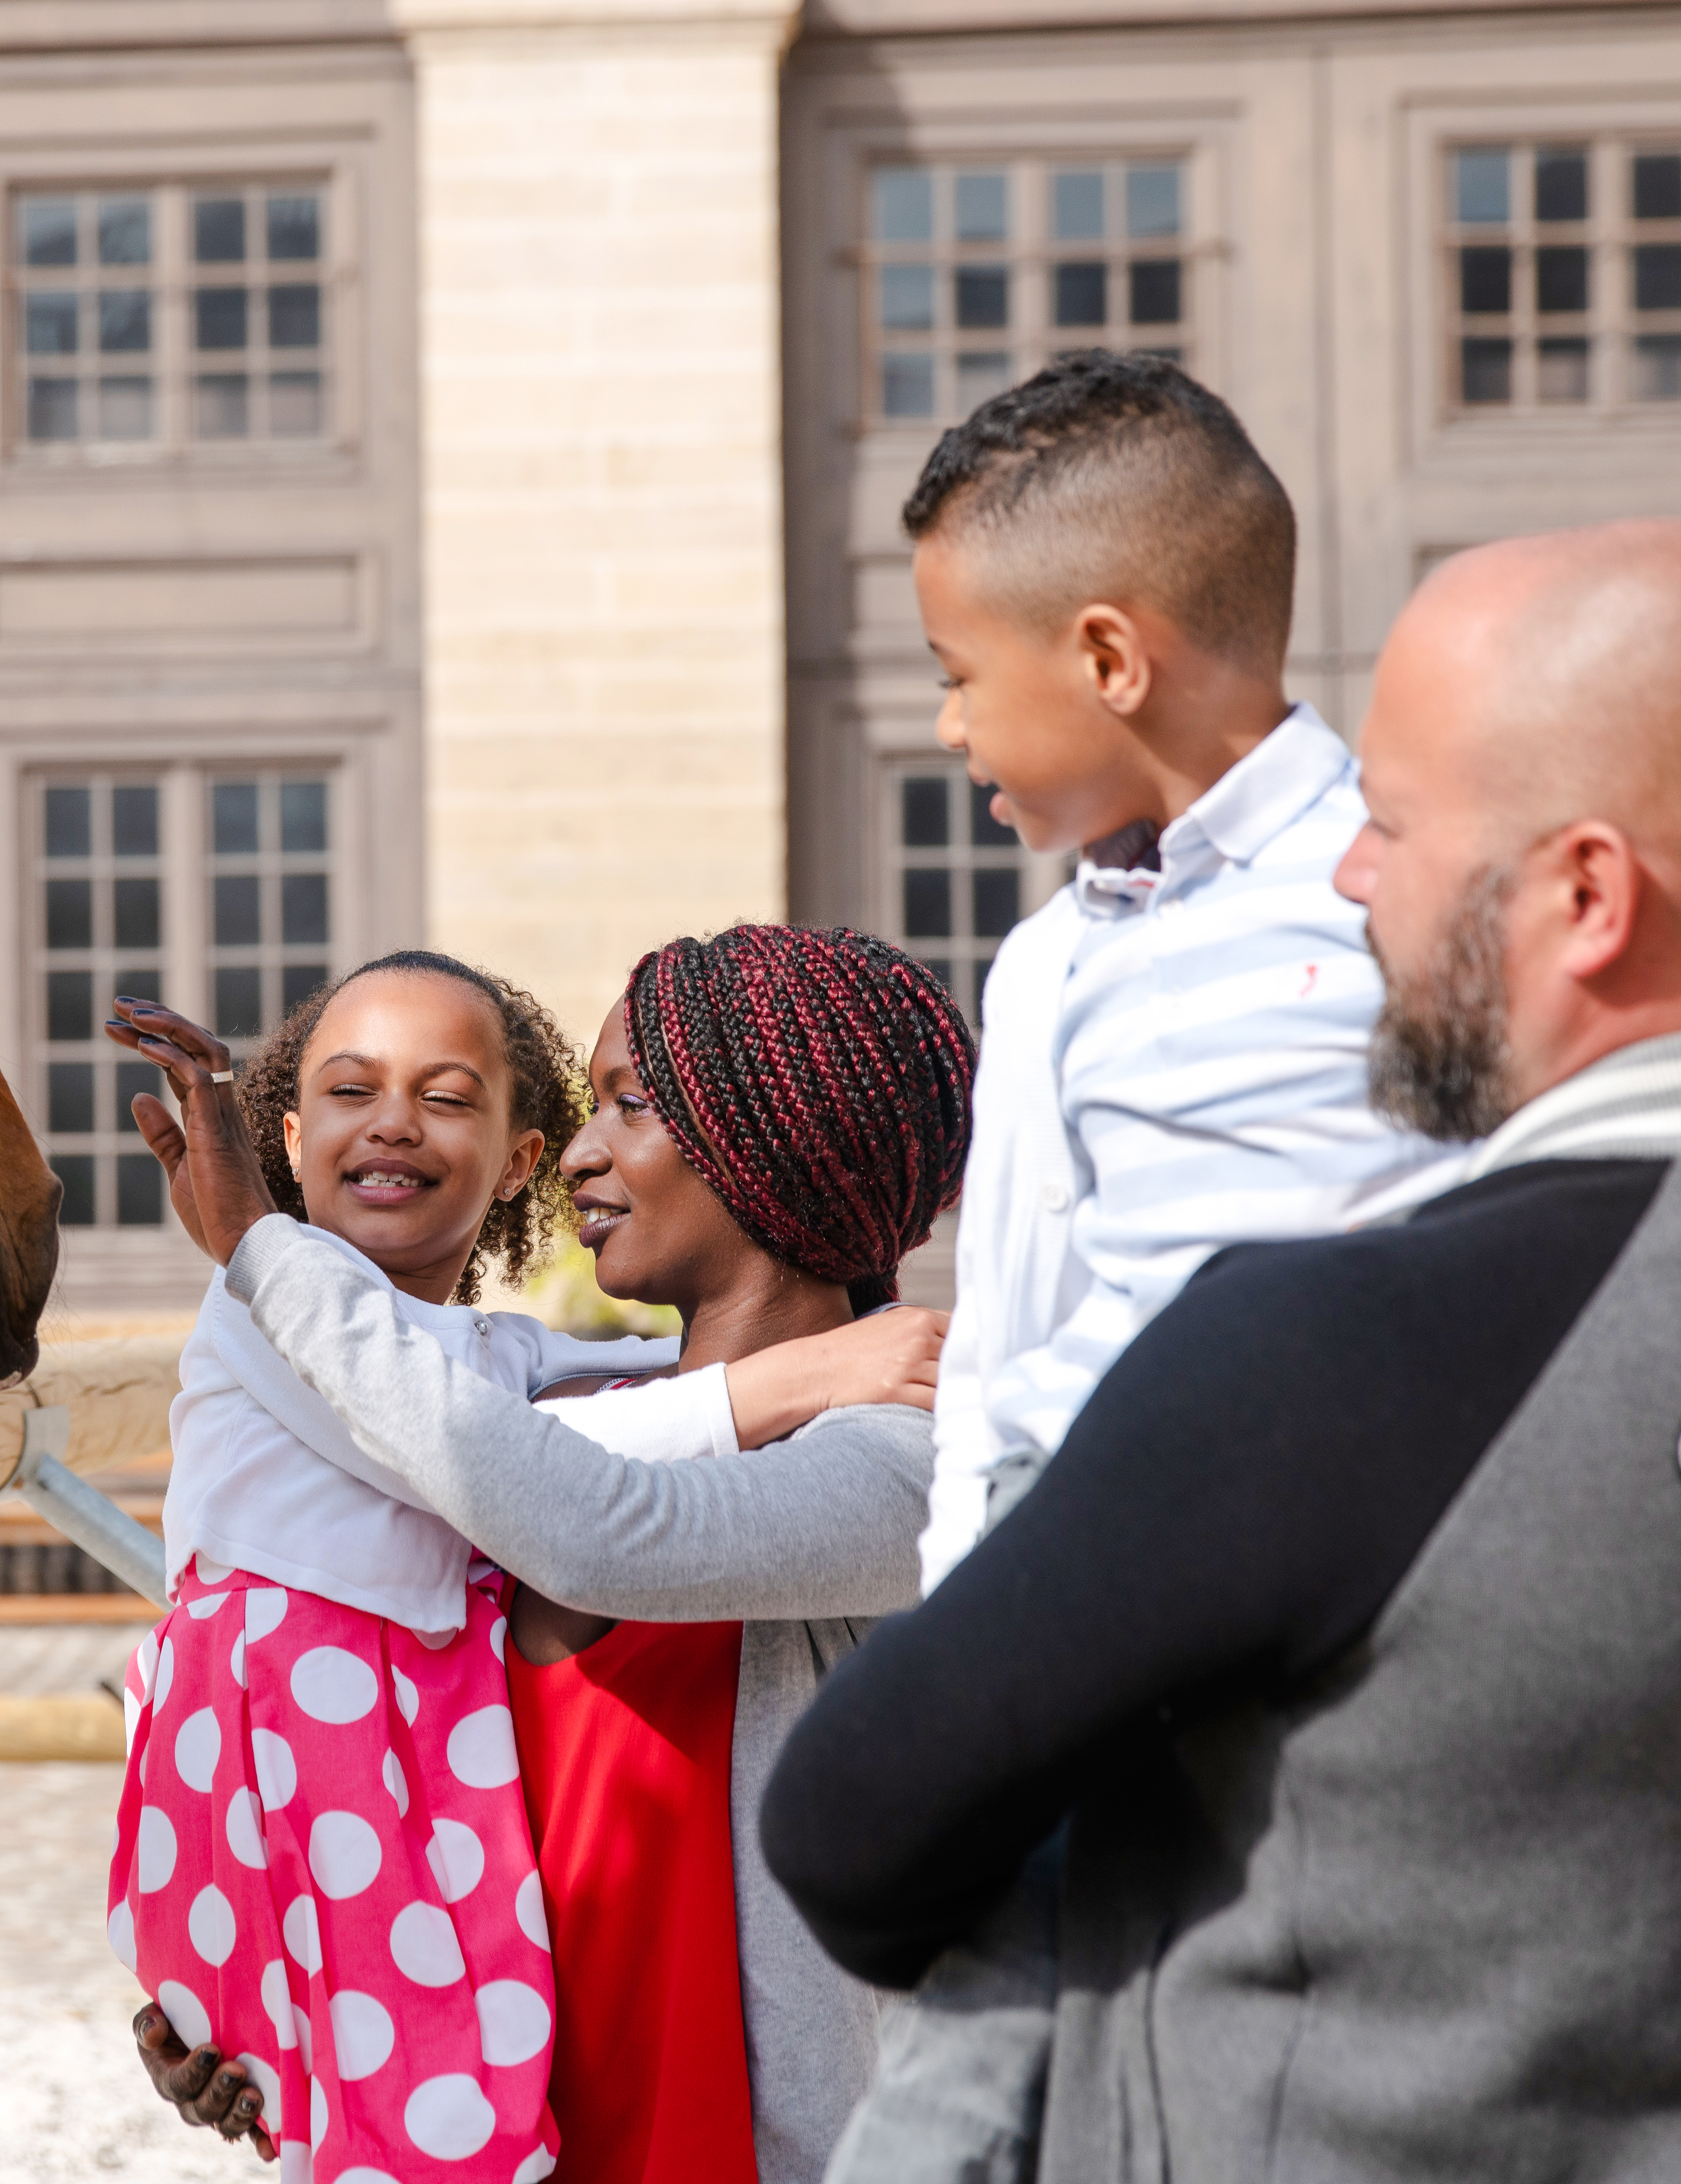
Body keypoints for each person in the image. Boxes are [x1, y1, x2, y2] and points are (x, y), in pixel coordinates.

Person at [761, 519, 1681, 2180]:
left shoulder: (1326, 1360)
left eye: (1390, 828)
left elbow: (850, 1825)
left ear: (1584, 899)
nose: (1345, 875)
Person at [839, 350, 1463, 2183]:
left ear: (1107, 657)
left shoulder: (1387, 913)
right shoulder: (1044, 960)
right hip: (1037, 1682)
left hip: (1281, 1718)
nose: (944, 732)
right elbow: (1022, 1325)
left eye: (958, 678)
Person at [115, 920, 975, 2184]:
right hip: (513, 2135)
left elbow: (596, 1531)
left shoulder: (897, 1456)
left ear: (762, 1139)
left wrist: (263, 1248)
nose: (579, 1150)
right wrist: (255, 1978)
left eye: (628, 1106)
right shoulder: (545, 1433)